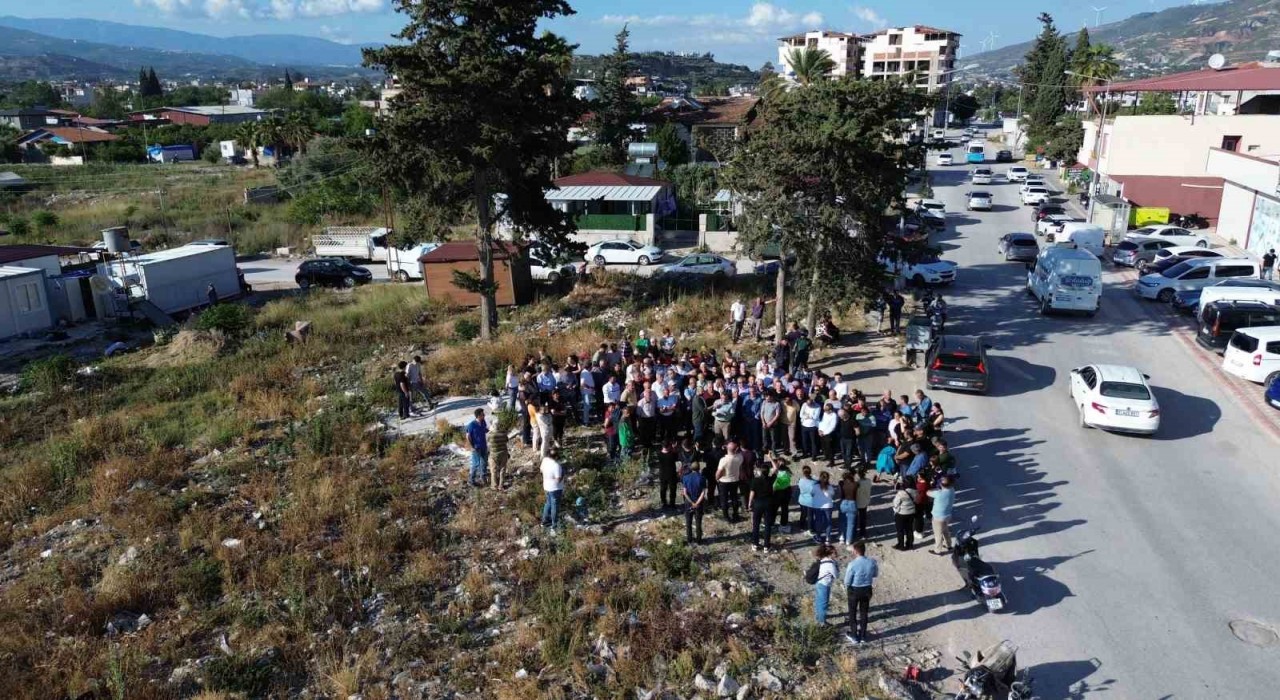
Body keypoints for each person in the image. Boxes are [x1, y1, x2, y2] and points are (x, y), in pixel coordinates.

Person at [843, 541, 879, 644]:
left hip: (854, 590)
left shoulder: (852, 564)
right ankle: (863, 636)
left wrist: (847, 587)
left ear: (855, 551)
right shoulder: (872, 562)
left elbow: (847, 581)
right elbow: (875, 574)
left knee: (852, 612)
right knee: (864, 612)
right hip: (867, 590)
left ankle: (854, 635)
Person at [747, 462, 775, 552]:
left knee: (756, 524)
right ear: (768, 471)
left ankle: (755, 544)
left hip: (758, 503)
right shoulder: (771, 479)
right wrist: (770, 458)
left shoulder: (755, 480)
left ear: (760, 471)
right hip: (769, 503)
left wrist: (749, 503)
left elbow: (752, 492)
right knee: (767, 525)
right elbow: (776, 468)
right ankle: (766, 546)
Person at [716, 441, 744, 522]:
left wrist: (717, 478)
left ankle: (726, 516)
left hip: (724, 481)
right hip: (735, 480)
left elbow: (719, 472)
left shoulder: (723, 460)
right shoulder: (740, 457)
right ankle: (735, 514)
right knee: (734, 498)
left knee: (724, 499)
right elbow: (738, 451)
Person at [682, 463, 709, 544]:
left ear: (691, 468)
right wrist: (696, 503)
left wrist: (691, 502)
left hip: (688, 502)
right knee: (698, 522)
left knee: (688, 521)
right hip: (699, 502)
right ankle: (699, 540)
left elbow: (685, 493)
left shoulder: (685, 477)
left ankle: (689, 539)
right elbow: (703, 493)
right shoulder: (702, 478)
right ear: (699, 468)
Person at [813, 544, 839, 624]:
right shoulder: (830, 564)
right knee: (823, 604)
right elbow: (836, 575)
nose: (836, 554)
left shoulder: (823, 559)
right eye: (834, 553)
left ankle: (818, 617)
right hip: (824, 585)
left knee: (818, 602)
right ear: (830, 554)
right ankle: (822, 623)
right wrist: (837, 567)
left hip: (819, 583)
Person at [928, 476, 956, 554]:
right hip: (947, 515)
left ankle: (937, 550)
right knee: (945, 531)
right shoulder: (952, 490)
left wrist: (932, 485)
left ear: (941, 484)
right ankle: (948, 545)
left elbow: (928, 493)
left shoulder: (938, 493)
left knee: (938, 534)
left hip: (938, 517)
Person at [541, 448, 564, 529]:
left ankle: (544, 521)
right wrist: (563, 475)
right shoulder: (556, 465)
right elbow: (558, 480)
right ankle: (554, 524)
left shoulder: (545, 460)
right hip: (555, 488)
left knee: (548, 503)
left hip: (546, 486)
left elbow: (541, 470)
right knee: (555, 506)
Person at [465, 409, 489, 487]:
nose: (484, 415)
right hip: (476, 448)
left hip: (484, 446)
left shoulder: (483, 422)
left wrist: (490, 430)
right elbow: (468, 436)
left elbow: (484, 430)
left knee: (484, 462)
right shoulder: (471, 425)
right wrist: (471, 447)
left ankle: (483, 477)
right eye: (482, 414)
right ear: (478, 416)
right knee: (476, 464)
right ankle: (471, 480)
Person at [811, 470, 835, 545]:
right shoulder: (830, 487)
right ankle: (828, 538)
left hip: (817, 506)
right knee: (828, 522)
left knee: (818, 521)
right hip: (828, 506)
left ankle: (818, 537)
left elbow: (812, 494)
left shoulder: (815, 486)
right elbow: (832, 495)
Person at [892, 480, 917, 550]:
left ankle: (901, 545)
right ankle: (910, 544)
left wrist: (896, 509)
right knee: (909, 529)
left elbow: (895, 503)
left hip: (901, 513)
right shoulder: (915, 491)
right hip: (911, 512)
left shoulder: (901, 493)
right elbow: (916, 500)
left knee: (900, 530)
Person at [838, 470, 859, 545]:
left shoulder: (841, 483)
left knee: (842, 521)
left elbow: (840, 495)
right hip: (852, 503)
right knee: (851, 524)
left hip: (843, 502)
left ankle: (841, 537)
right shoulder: (856, 484)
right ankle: (848, 540)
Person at [657, 442, 680, 510]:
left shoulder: (659, 454)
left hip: (662, 475)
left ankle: (664, 503)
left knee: (663, 489)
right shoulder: (672, 454)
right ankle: (672, 504)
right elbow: (676, 456)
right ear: (669, 447)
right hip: (671, 475)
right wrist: (674, 448)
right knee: (672, 490)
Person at [854, 470, 873, 540]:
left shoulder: (858, 483)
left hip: (858, 501)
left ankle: (855, 531)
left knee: (856, 517)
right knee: (863, 518)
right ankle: (863, 532)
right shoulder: (868, 481)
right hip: (865, 501)